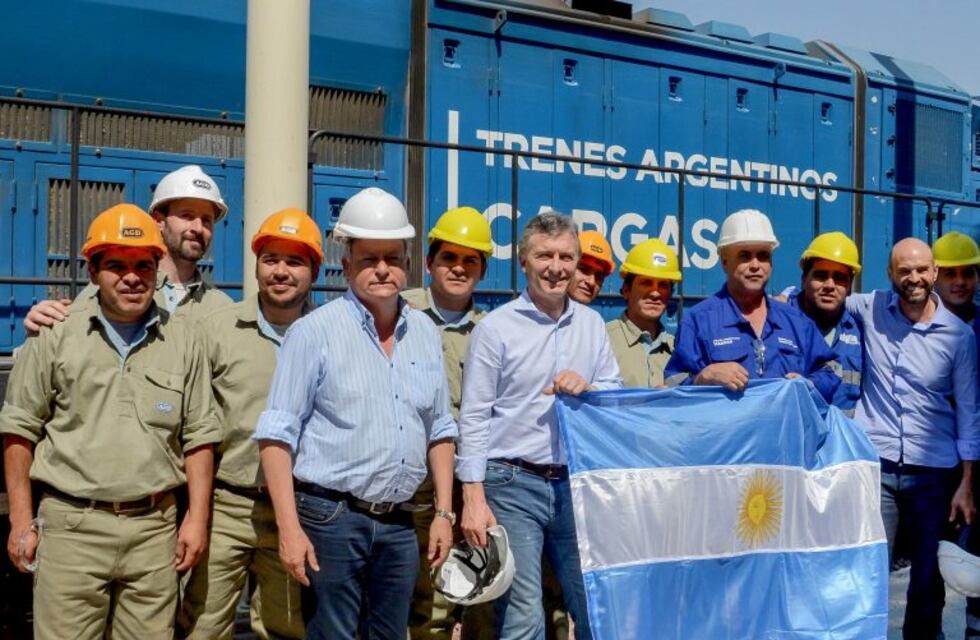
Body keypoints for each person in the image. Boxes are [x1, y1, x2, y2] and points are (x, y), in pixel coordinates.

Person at [1, 204, 219, 639]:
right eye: (116, 265)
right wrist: (21, 521)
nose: (132, 276)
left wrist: (196, 519)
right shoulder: (56, 334)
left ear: (158, 268)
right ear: (93, 270)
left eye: (143, 264)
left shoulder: (182, 341)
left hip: (154, 531)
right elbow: (19, 429)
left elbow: (199, 436)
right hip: (72, 528)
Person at [254, 187, 457, 639]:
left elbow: (441, 429)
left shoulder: (424, 331)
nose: (382, 269)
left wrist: (444, 513)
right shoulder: (313, 333)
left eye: (392, 257)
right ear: (346, 266)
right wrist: (290, 530)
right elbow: (276, 437)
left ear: (407, 263)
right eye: (369, 259)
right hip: (331, 519)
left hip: (400, 524)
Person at [457, 211, 622, 640]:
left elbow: (612, 391)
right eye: (544, 255)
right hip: (512, 482)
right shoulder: (495, 329)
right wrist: (472, 498)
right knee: (523, 614)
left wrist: (588, 387)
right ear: (523, 260)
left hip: (574, 485)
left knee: (594, 602)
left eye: (566, 257)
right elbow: (474, 415)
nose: (556, 267)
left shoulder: (592, 326)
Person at [177, 209, 322, 639]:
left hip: (300, 511)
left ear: (314, 270)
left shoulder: (330, 333)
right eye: (270, 259)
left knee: (288, 628)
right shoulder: (215, 330)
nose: (280, 271)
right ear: (256, 264)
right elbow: (193, 424)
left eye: (294, 262)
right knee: (202, 626)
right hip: (227, 507)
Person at [846, 238, 978, 639]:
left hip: (933, 476)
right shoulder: (869, 308)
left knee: (926, 582)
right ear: (890, 275)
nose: (914, 278)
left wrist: (967, 486)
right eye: (905, 270)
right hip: (878, 467)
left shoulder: (959, 337)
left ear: (933, 273)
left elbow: (971, 415)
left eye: (922, 270)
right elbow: (819, 297)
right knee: (867, 572)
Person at [402, 206, 492, 640]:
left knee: (451, 596)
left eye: (470, 260)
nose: (458, 268)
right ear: (429, 263)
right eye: (449, 258)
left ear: (483, 269)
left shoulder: (491, 329)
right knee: (399, 594)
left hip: (466, 485)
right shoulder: (400, 314)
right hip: (407, 484)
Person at [23, 164, 232, 332]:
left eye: (207, 220)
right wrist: (42, 324)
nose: (198, 228)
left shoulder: (222, 309)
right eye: (187, 216)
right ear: (159, 221)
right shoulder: (114, 289)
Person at [664, 208, 839, 402]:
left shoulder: (795, 322)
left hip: (784, 432)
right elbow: (673, 383)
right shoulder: (699, 320)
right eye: (744, 256)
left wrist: (809, 385)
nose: (755, 265)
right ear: (724, 262)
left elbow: (831, 370)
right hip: (727, 432)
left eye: (763, 255)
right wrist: (702, 377)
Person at [930, 231, 980, 639]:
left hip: (976, 464)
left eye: (968, 273)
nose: (960, 281)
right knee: (929, 569)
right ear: (934, 276)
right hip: (932, 465)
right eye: (951, 274)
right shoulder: (914, 324)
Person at [783, 232, 864, 415]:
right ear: (804, 280)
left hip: (840, 440)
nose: (829, 285)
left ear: (850, 285)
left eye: (839, 278)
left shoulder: (862, 331)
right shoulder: (778, 323)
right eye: (821, 275)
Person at [606, 238, 681, 387]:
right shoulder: (603, 340)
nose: (655, 293)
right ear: (626, 290)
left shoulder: (678, 349)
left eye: (663, 285)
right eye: (646, 283)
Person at [567, 230, 614, 305]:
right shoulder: (542, 313)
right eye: (584, 270)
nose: (592, 282)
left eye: (599, 276)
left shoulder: (594, 317)